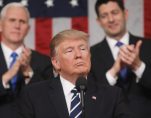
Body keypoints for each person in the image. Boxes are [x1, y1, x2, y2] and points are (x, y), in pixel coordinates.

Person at [17, 29, 130, 118]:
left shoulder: (112, 96)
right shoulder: (33, 95)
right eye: (70, 51)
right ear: (56, 63)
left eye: (83, 49)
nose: (78, 55)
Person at [89, 0, 151, 118]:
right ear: (98, 21)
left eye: (115, 12)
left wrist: (138, 66)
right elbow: (91, 98)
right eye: (104, 16)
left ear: (125, 14)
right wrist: (113, 71)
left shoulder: (148, 46)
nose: (111, 19)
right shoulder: (90, 54)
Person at [0, 2, 54, 118]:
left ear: (28, 29)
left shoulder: (44, 62)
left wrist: (28, 72)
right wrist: (7, 77)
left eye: (22, 21)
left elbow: (48, 101)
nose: (17, 26)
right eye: (12, 20)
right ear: (0, 24)